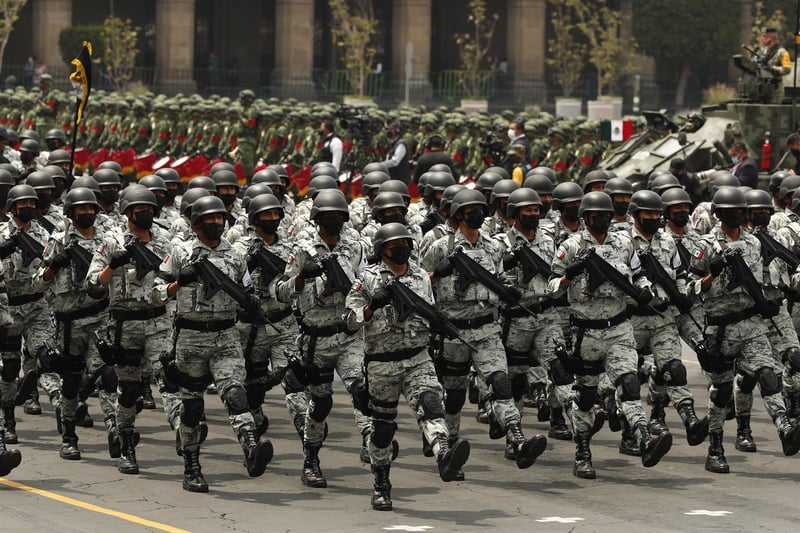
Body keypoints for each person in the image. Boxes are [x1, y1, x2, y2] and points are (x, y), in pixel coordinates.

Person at [345, 223, 470, 511]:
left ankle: (444, 454)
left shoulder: (419, 277)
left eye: (406, 243)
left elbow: (428, 310)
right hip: (381, 365)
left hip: (417, 358)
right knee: (383, 430)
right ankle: (381, 482)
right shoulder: (367, 279)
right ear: (381, 249)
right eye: (394, 245)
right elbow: (349, 321)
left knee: (431, 404)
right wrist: (371, 307)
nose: (402, 249)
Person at [421, 188, 547, 473]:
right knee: (454, 395)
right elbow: (417, 284)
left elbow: (500, 278)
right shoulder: (442, 247)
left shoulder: (493, 246)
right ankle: (449, 445)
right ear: (459, 214)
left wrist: (510, 292)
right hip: (455, 331)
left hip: (487, 328)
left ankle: (517, 437)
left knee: (500, 382)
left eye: (480, 208)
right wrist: (438, 272)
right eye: (470, 210)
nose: (477, 214)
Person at [550, 191, 673, 479]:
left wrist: (645, 290)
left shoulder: (624, 244)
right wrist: (570, 274)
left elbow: (638, 274)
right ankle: (582, 450)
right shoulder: (570, 246)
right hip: (586, 333)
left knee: (630, 383)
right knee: (585, 395)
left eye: (607, 214)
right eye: (597, 215)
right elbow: (552, 286)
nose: (603, 219)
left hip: (619, 327)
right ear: (586, 217)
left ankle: (643, 436)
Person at [157, 195, 273, 492]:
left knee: (236, 394)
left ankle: (250, 446)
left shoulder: (235, 255)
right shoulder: (180, 251)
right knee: (192, 407)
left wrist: (253, 303)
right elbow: (156, 292)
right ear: (196, 225)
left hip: (226, 336)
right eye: (209, 219)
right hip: (190, 338)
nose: (217, 223)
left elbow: (247, 292)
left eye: (220, 218)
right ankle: (192, 466)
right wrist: (180, 281)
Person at [688, 186, 800, 473]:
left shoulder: (753, 243)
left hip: (750, 324)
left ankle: (784, 425)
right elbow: (689, 289)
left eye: (741, 210)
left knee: (768, 373)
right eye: (731, 211)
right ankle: (714, 448)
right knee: (722, 392)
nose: (737, 215)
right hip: (720, 329)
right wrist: (712, 274)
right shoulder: (706, 244)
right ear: (719, 214)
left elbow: (765, 280)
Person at [757, 26, 791, 104]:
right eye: (762, 36)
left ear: (772, 38)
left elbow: (787, 69)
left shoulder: (782, 52)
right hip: (762, 89)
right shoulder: (762, 51)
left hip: (775, 90)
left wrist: (772, 68)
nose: (762, 39)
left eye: (765, 36)